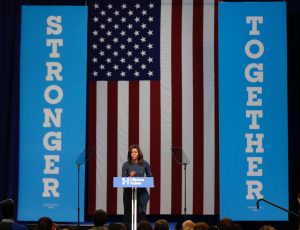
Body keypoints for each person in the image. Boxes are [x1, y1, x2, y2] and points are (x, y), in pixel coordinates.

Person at [122, 144, 152, 228]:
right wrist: (129, 177)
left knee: (141, 215)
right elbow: (123, 180)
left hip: (141, 192)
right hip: (128, 192)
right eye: (131, 152)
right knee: (128, 214)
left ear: (139, 153)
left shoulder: (145, 164)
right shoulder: (125, 165)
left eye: (135, 152)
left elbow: (150, 177)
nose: (133, 154)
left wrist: (142, 180)